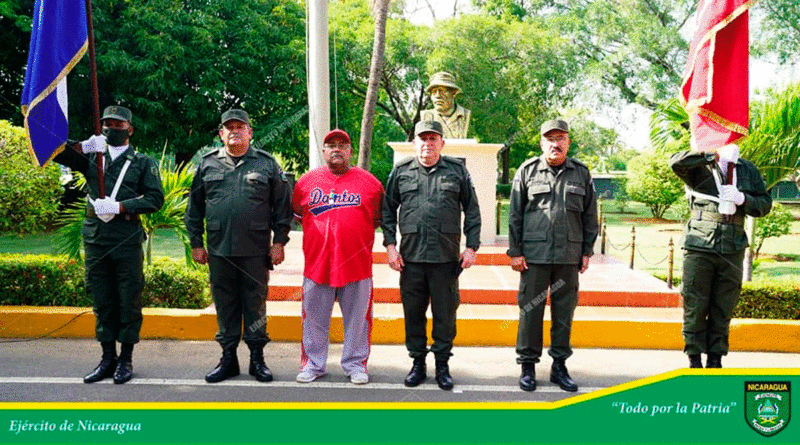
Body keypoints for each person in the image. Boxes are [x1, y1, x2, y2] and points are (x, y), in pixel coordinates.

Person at [53, 105, 164, 384]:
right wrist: (83, 145)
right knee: (101, 299)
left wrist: (120, 205)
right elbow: (55, 151)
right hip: (96, 239)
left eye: (117, 124)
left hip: (125, 238)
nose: (111, 128)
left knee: (128, 299)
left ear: (130, 129)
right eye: (107, 124)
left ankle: (125, 360)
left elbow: (155, 199)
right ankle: (107, 358)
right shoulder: (92, 156)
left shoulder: (142, 162)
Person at [185, 109, 292, 383]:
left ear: (249, 132)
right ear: (221, 134)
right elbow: (194, 209)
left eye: (239, 126)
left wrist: (279, 242)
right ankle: (228, 359)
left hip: (255, 251)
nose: (234, 131)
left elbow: (282, 208)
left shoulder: (267, 164)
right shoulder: (207, 164)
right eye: (228, 127)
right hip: (219, 250)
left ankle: (257, 359)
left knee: (255, 305)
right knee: (225, 304)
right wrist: (196, 243)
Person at [382, 120, 481, 390]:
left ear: (442, 143)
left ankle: (442, 365)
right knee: (413, 313)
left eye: (433, 139)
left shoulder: (457, 171)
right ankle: (417, 363)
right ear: (414, 143)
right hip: (411, 259)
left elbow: (472, 210)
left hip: (446, 260)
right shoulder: (401, 171)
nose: (427, 144)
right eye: (422, 139)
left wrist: (472, 247)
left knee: (445, 314)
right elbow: (388, 211)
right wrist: (390, 246)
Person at [507, 118, 598, 393]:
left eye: (560, 138)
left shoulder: (581, 173)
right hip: (534, 256)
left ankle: (559, 365)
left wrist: (586, 251)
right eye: (550, 139)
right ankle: (528, 366)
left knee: (563, 313)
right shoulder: (527, 171)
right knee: (531, 310)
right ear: (541, 142)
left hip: (568, 256)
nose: (555, 144)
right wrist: (515, 251)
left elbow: (590, 215)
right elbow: (515, 215)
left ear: (568, 142)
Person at [292, 129, 384, 385]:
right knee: (314, 320)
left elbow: (377, 219)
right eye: (330, 145)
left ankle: (356, 365)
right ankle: (313, 364)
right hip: (317, 265)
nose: (336, 149)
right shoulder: (305, 183)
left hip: (357, 266)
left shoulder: (371, 184)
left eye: (342, 145)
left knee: (357, 321)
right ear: (323, 151)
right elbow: (299, 216)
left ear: (350, 150)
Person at [670, 144, 771, 368]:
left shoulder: (746, 169)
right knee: (695, 304)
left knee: (723, 306)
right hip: (699, 244)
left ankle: (715, 359)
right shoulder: (699, 166)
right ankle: (694, 359)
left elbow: (764, 204)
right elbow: (675, 162)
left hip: (733, 246)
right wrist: (709, 154)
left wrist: (743, 199)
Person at [420, 72, 471, 139]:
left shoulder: (464, 114)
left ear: (454, 93)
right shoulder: (426, 115)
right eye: (434, 92)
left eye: (442, 91)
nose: (438, 96)